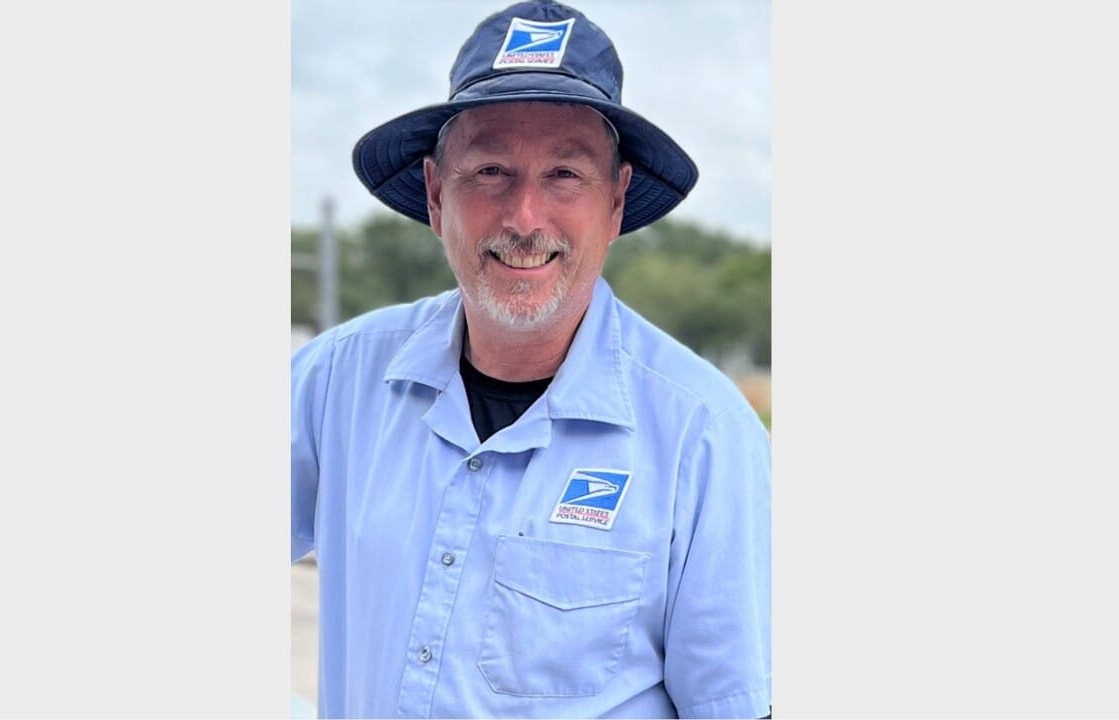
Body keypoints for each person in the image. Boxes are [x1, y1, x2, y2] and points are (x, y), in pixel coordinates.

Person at [291, 1, 770, 717]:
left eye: (564, 174)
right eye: (490, 170)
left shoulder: (702, 435)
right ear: (435, 194)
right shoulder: (334, 382)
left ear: (616, 201)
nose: (523, 218)